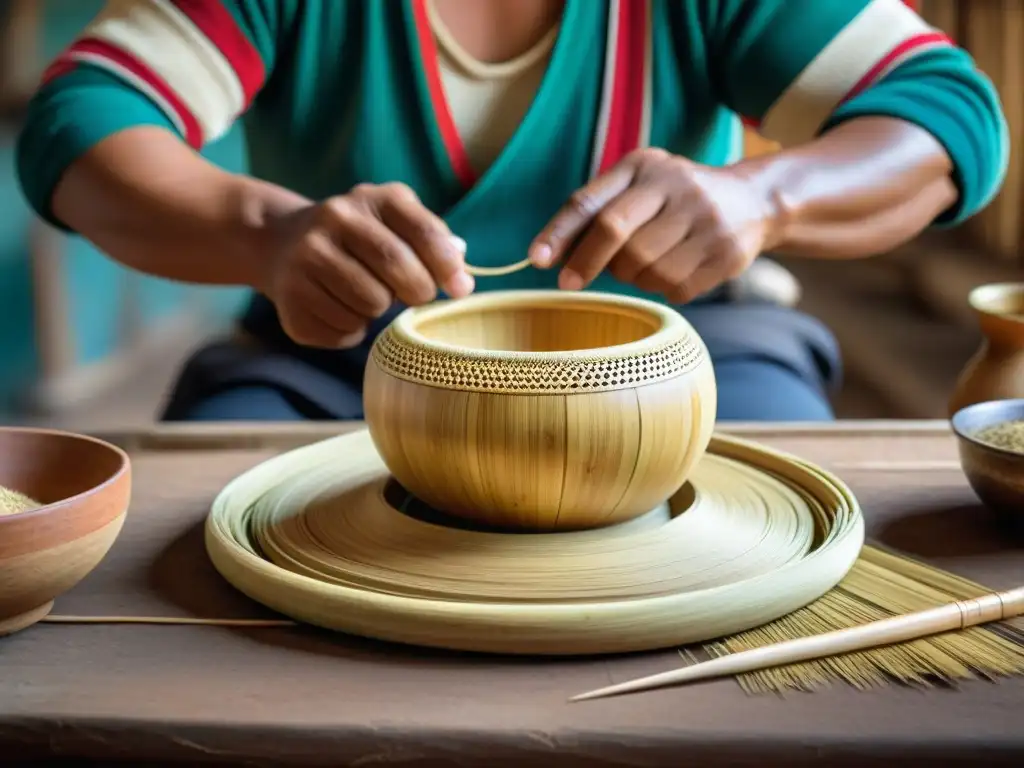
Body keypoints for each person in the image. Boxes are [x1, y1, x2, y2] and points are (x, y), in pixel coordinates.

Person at [16, 0, 1007, 423]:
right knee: (211, 553)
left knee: (777, 537)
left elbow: (945, 115)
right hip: (332, 362)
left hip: (685, 355)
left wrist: (762, 196)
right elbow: (81, 123)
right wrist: (270, 238)